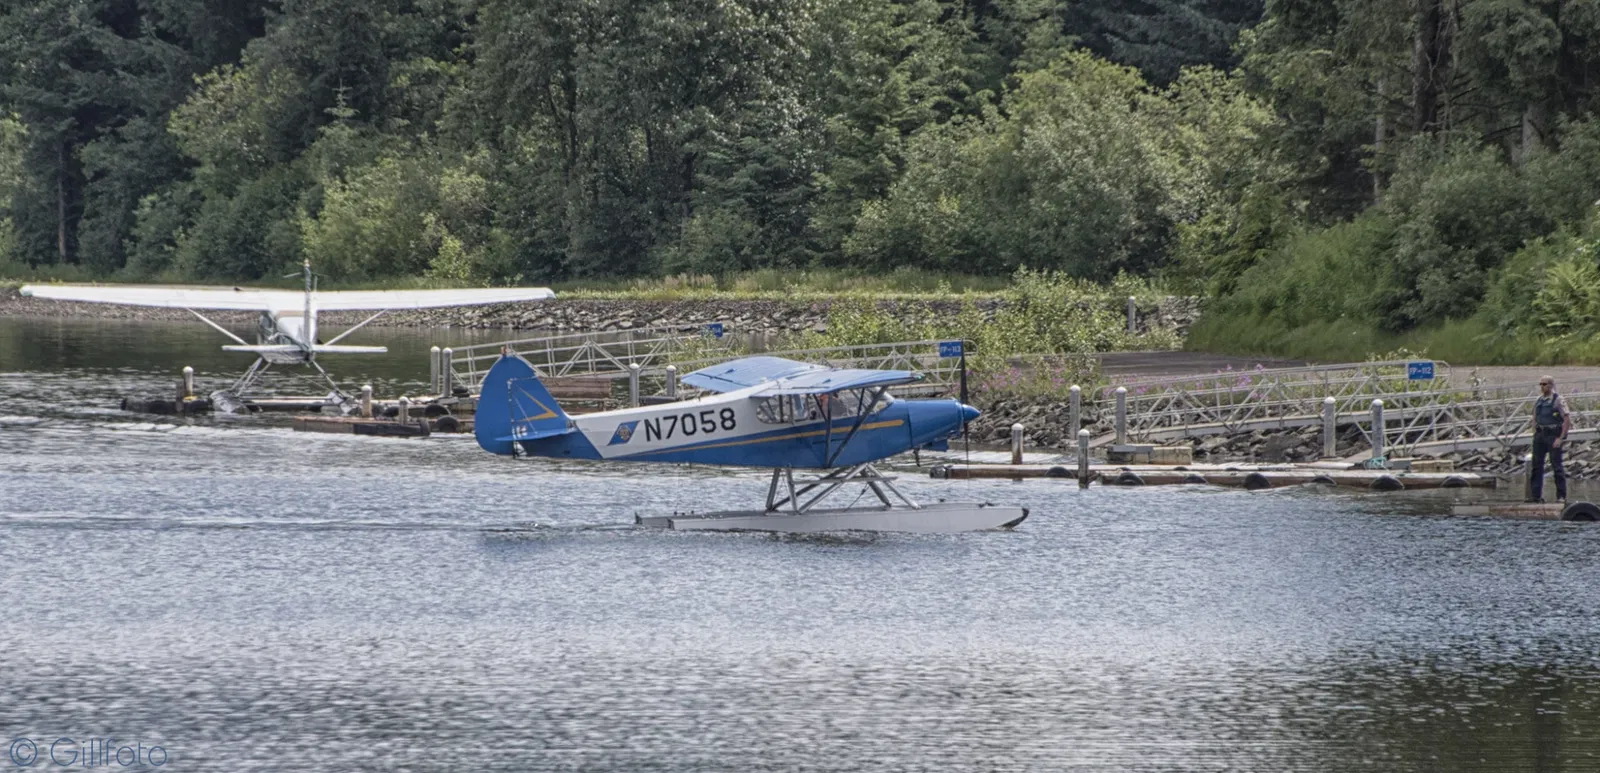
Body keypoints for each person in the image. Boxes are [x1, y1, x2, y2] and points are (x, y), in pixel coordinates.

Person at [1528, 375, 1571, 503]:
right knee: (1536, 466)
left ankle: (1561, 496)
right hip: (1540, 435)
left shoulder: (1558, 400)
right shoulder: (1539, 400)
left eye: (1545, 384)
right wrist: (1534, 431)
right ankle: (1535, 496)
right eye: (1540, 384)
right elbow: (1534, 416)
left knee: (1556, 466)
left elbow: (1567, 419)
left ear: (1551, 385)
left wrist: (1561, 438)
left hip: (1553, 434)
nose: (1542, 387)